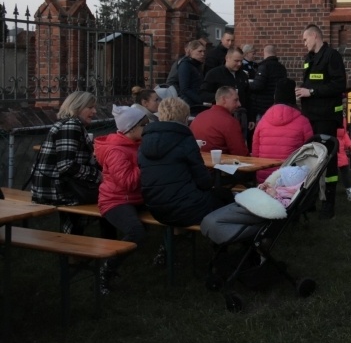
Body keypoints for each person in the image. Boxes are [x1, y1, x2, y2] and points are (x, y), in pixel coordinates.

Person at [138, 97, 233, 227]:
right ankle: (224, 240)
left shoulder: (144, 142)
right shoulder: (184, 139)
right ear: (185, 117)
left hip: (156, 208)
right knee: (226, 197)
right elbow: (204, 181)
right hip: (187, 209)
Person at [29, 91, 110, 237]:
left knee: (108, 200)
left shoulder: (67, 123)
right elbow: (66, 165)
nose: (94, 111)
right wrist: (98, 175)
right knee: (111, 200)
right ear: (77, 107)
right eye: (90, 107)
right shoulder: (71, 125)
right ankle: (101, 249)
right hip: (55, 189)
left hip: (52, 185)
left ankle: (74, 251)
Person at [94, 105, 150, 294]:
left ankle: (164, 256)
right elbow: (128, 182)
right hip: (115, 200)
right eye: (144, 124)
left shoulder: (136, 143)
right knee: (136, 232)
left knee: (170, 209)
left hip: (135, 198)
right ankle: (107, 270)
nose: (147, 127)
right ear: (131, 128)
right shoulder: (117, 150)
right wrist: (146, 163)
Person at [295, 24, 347, 219]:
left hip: (326, 117)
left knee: (327, 159)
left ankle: (328, 203)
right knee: (310, 158)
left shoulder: (332, 56)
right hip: (310, 116)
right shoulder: (309, 59)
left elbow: (339, 85)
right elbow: (310, 82)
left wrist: (312, 92)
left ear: (315, 35)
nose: (304, 43)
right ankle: (311, 199)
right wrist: (302, 91)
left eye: (305, 39)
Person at [251, 78, 314, 184]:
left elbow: (255, 151)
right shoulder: (303, 121)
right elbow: (310, 152)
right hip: (289, 178)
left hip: (264, 178)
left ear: (275, 96)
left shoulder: (263, 121)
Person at [201, 47, 254, 133]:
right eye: (236, 61)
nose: (239, 64)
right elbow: (203, 94)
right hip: (221, 117)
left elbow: (248, 97)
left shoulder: (243, 75)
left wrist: (251, 117)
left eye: (241, 61)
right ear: (227, 58)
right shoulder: (214, 74)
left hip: (240, 116)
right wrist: (221, 98)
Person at [190, 86, 250, 156]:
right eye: (235, 100)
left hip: (198, 163)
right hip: (220, 164)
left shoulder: (198, 117)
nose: (239, 104)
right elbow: (241, 154)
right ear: (224, 99)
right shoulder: (230, 122)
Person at [250, 45, 288, 120]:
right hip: (276, 103)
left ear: (264, 53)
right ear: (275, 53)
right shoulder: (282, 68)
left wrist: (248, 84)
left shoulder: (264, 67)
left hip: (262, 106)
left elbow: (258, 86)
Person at [177, 40, 207, 112]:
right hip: (189, 103)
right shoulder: (185, 65)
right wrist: (200, 100)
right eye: (199, 51)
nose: (203, 54)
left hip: (196, 101)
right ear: (191, 51)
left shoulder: (197, 65)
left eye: (204, 51)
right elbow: (184, 88)